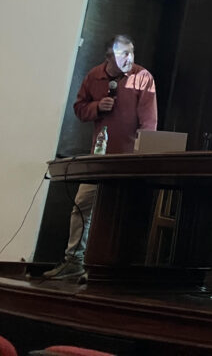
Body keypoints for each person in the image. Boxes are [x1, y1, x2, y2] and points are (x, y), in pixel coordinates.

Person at [42, 34, 158, 281]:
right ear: (108, 57)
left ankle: (114, 269)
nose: (129, 59)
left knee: (121, 212)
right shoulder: (95, 76)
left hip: (129, 159)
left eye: (131, 53)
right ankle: (74, 261)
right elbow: (79, 108)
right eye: (122, 54)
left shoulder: (143, 77)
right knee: (82, 206)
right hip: (99, 156)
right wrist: (97, 107)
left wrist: (142, 154)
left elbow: (149, 122)